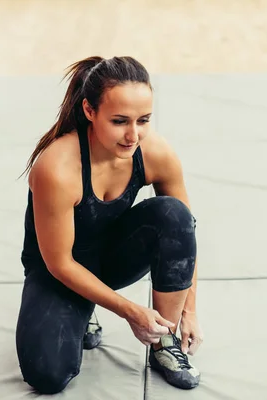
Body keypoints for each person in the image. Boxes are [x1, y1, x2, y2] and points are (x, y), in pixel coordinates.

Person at [15, 56, 204, 394]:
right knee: (47, 376)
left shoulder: (155, 152)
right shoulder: (56, 168)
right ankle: (82, 309)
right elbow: (59, 263)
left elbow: (185, 233)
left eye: (143, 120)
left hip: (113, 258)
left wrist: (189, 311)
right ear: (89, 111)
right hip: (59, 271)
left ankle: (164, 342)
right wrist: (130, 311)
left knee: (174, 215)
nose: (133, 135)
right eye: (119, 121)